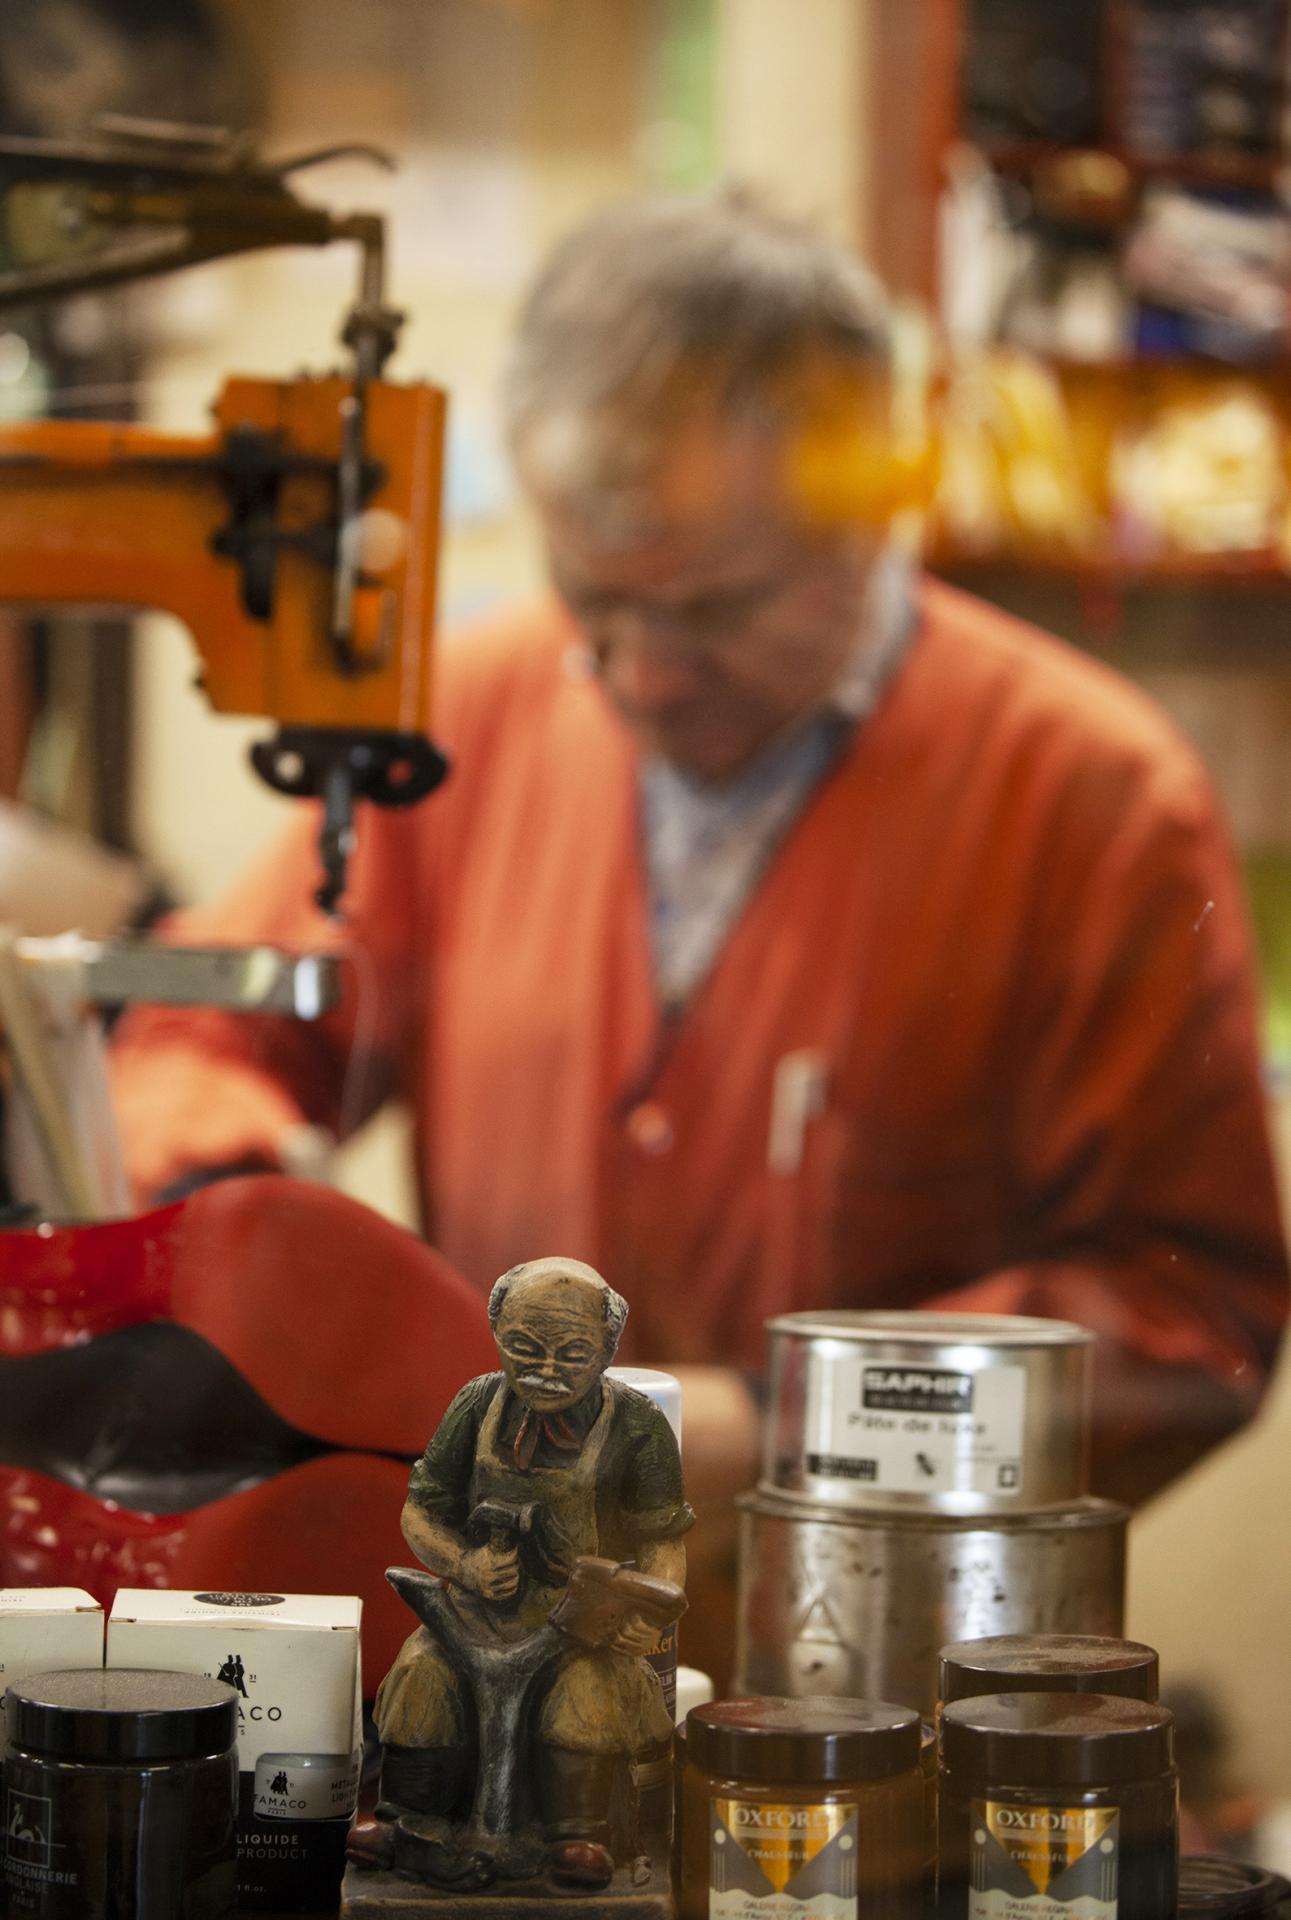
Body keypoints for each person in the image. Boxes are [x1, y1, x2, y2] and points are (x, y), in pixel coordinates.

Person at [109, 193, 1289, 1648]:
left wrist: (776, 1425)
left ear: (871, 516)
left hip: (884, 1696)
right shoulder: (470, 715)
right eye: (592, 600)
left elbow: (1187, 1327)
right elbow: (197, 1038)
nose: (640, 675)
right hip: (496, 1664)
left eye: (717, 610)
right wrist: (234, 1201)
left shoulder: (1091, 802)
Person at [373, 1256, 690, 1883]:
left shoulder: (638, 1425)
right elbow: (420, 1513)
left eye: (572, 1353)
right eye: (524, 1348)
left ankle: (577, 1838)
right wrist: (464, 1564)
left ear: (606, 1349)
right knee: (421, 1676)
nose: (545, 1371)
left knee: (586, 1697)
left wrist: (645, 1609)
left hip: (581, 1624)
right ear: (496, 1334)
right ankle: (406, 1823)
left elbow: (665, 1544)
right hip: (474, 1614)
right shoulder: (476, 1404)